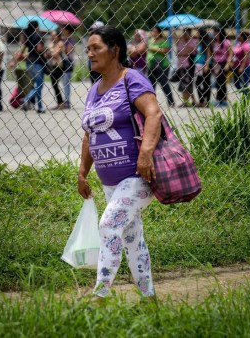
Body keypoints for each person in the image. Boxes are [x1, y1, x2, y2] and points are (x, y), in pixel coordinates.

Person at [78, 25, 162, 299]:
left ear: (114, 50)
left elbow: (153, 114)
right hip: (110, 182)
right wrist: (83, 172)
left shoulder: (132, 79)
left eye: (95, 48)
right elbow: (89, 134)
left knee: (109, 226)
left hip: (137, 176)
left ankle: (100, 296)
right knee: (132, 240)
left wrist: (146, 153)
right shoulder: (94, 90)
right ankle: (149, 299)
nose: (89, 53)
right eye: (88, 48)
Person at [21, 21, 47, 113]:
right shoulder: (39, 36)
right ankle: (26, 99)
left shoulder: (28, 37)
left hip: (29, 63)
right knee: (39, 86)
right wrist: (45, 49)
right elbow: (39, 48)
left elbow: (23, 50)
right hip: (38, 63)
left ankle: (40, 107)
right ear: (36, 27)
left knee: (36, 85)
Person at [146, 26, 174, 107]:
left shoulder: (163, 41)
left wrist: (153, 49)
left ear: (159, 33)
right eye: (153, 31)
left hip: (162, 66)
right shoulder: (150, 40)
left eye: (155, 32)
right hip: (151, 65)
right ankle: (151, 102)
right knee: (151, 84)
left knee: (164, 83)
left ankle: (170, 101)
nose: (154, 33)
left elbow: (165, 51)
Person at [174, 28, 198, 106]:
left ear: (190, 34)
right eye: (184, 33)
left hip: (189, 66)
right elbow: (178, 52)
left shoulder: (193, 41)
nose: (185, 35)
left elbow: (187, 51)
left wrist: (182, 53)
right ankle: (187, 101)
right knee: (183, 84)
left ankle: (192, 101)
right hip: (181, 65)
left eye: (187, 33)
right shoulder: (180, 42)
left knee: (187, 83)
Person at [211, 28, 232, 107]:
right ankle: (219, 99)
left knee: (222, 82)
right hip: (216, 64)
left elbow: (230, 54)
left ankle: (223, 100)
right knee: (217, 82)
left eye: (217, 33)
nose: (216, 35)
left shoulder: (226, 42)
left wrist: (228, 64)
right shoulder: (215, 42)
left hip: (223, 63)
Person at [46, 30, 66, 110]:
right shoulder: (53, 44)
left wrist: (50, 50)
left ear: (58, 36)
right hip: (53, 65)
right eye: (52, 35)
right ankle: (60, 102)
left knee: (54, 83)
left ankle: (61, 103)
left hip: (59, 65)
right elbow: (48, 54)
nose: (52, 37)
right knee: (54, 84)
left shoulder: (60, 43)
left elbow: (55, 54)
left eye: (54, 35)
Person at [231, 31, 250, 96]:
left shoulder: (246, 45)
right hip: (236, 66)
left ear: (243, 37)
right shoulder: (238, 44)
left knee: (245, 83)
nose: (238, 37)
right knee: (236, 83)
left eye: (239, 35)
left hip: (245, 67)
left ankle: (246, 97)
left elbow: (246, 57)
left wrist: (242, 67)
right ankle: (244, 94)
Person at [60, 25, 76, 109]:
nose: (62, 30)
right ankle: (66, 101)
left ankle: (67, 102)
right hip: (63, 62)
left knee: (66, 83)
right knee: (64, 83)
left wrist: (63, 47)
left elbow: (68, 52)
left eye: (64, 29)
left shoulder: (70, 40)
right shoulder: (63, 40)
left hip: (68, 62)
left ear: (67, 30)